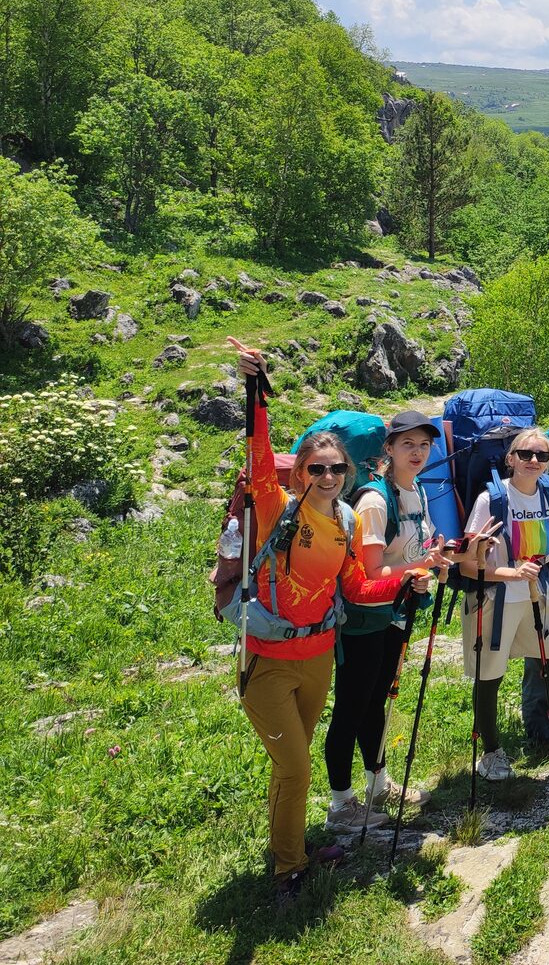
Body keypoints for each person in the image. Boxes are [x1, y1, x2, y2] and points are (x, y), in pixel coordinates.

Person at [224, 339, 440, 909]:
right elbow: (257, 456)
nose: (326, 474)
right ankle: (288, 870)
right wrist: (256, 391)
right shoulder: (277, 508)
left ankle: (289, 845)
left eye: (335, 467)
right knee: (294, 766)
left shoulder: (344, 520)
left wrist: (412, 573)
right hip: (269, 661)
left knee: (288, 765)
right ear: (301, 473)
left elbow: (360, 587)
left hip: (318, 658)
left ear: (347, 471)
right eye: (316, 467)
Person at [456, 428, 549, 783]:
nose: (534, 461)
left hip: (539, 595)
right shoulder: (491, 500)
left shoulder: (548, 494)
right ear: (511, 459)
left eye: (542, 456)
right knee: (489, 675)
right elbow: (467, 563)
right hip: (497, 597)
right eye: (526, 454)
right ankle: (491, 752)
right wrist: (512, 571)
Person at [323, 410, 443, 833]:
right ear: (388, 449)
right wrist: (420, 566)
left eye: (424, 444)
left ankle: (378, 784)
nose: (417, 452)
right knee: (353, 706)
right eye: (407, 444)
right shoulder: (375, 501)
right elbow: (370, 574)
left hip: (392, 614)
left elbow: (410, 555)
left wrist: (430, 564)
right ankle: (340, 806)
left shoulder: (417, 491)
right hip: (362, 619)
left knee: (376, 702)